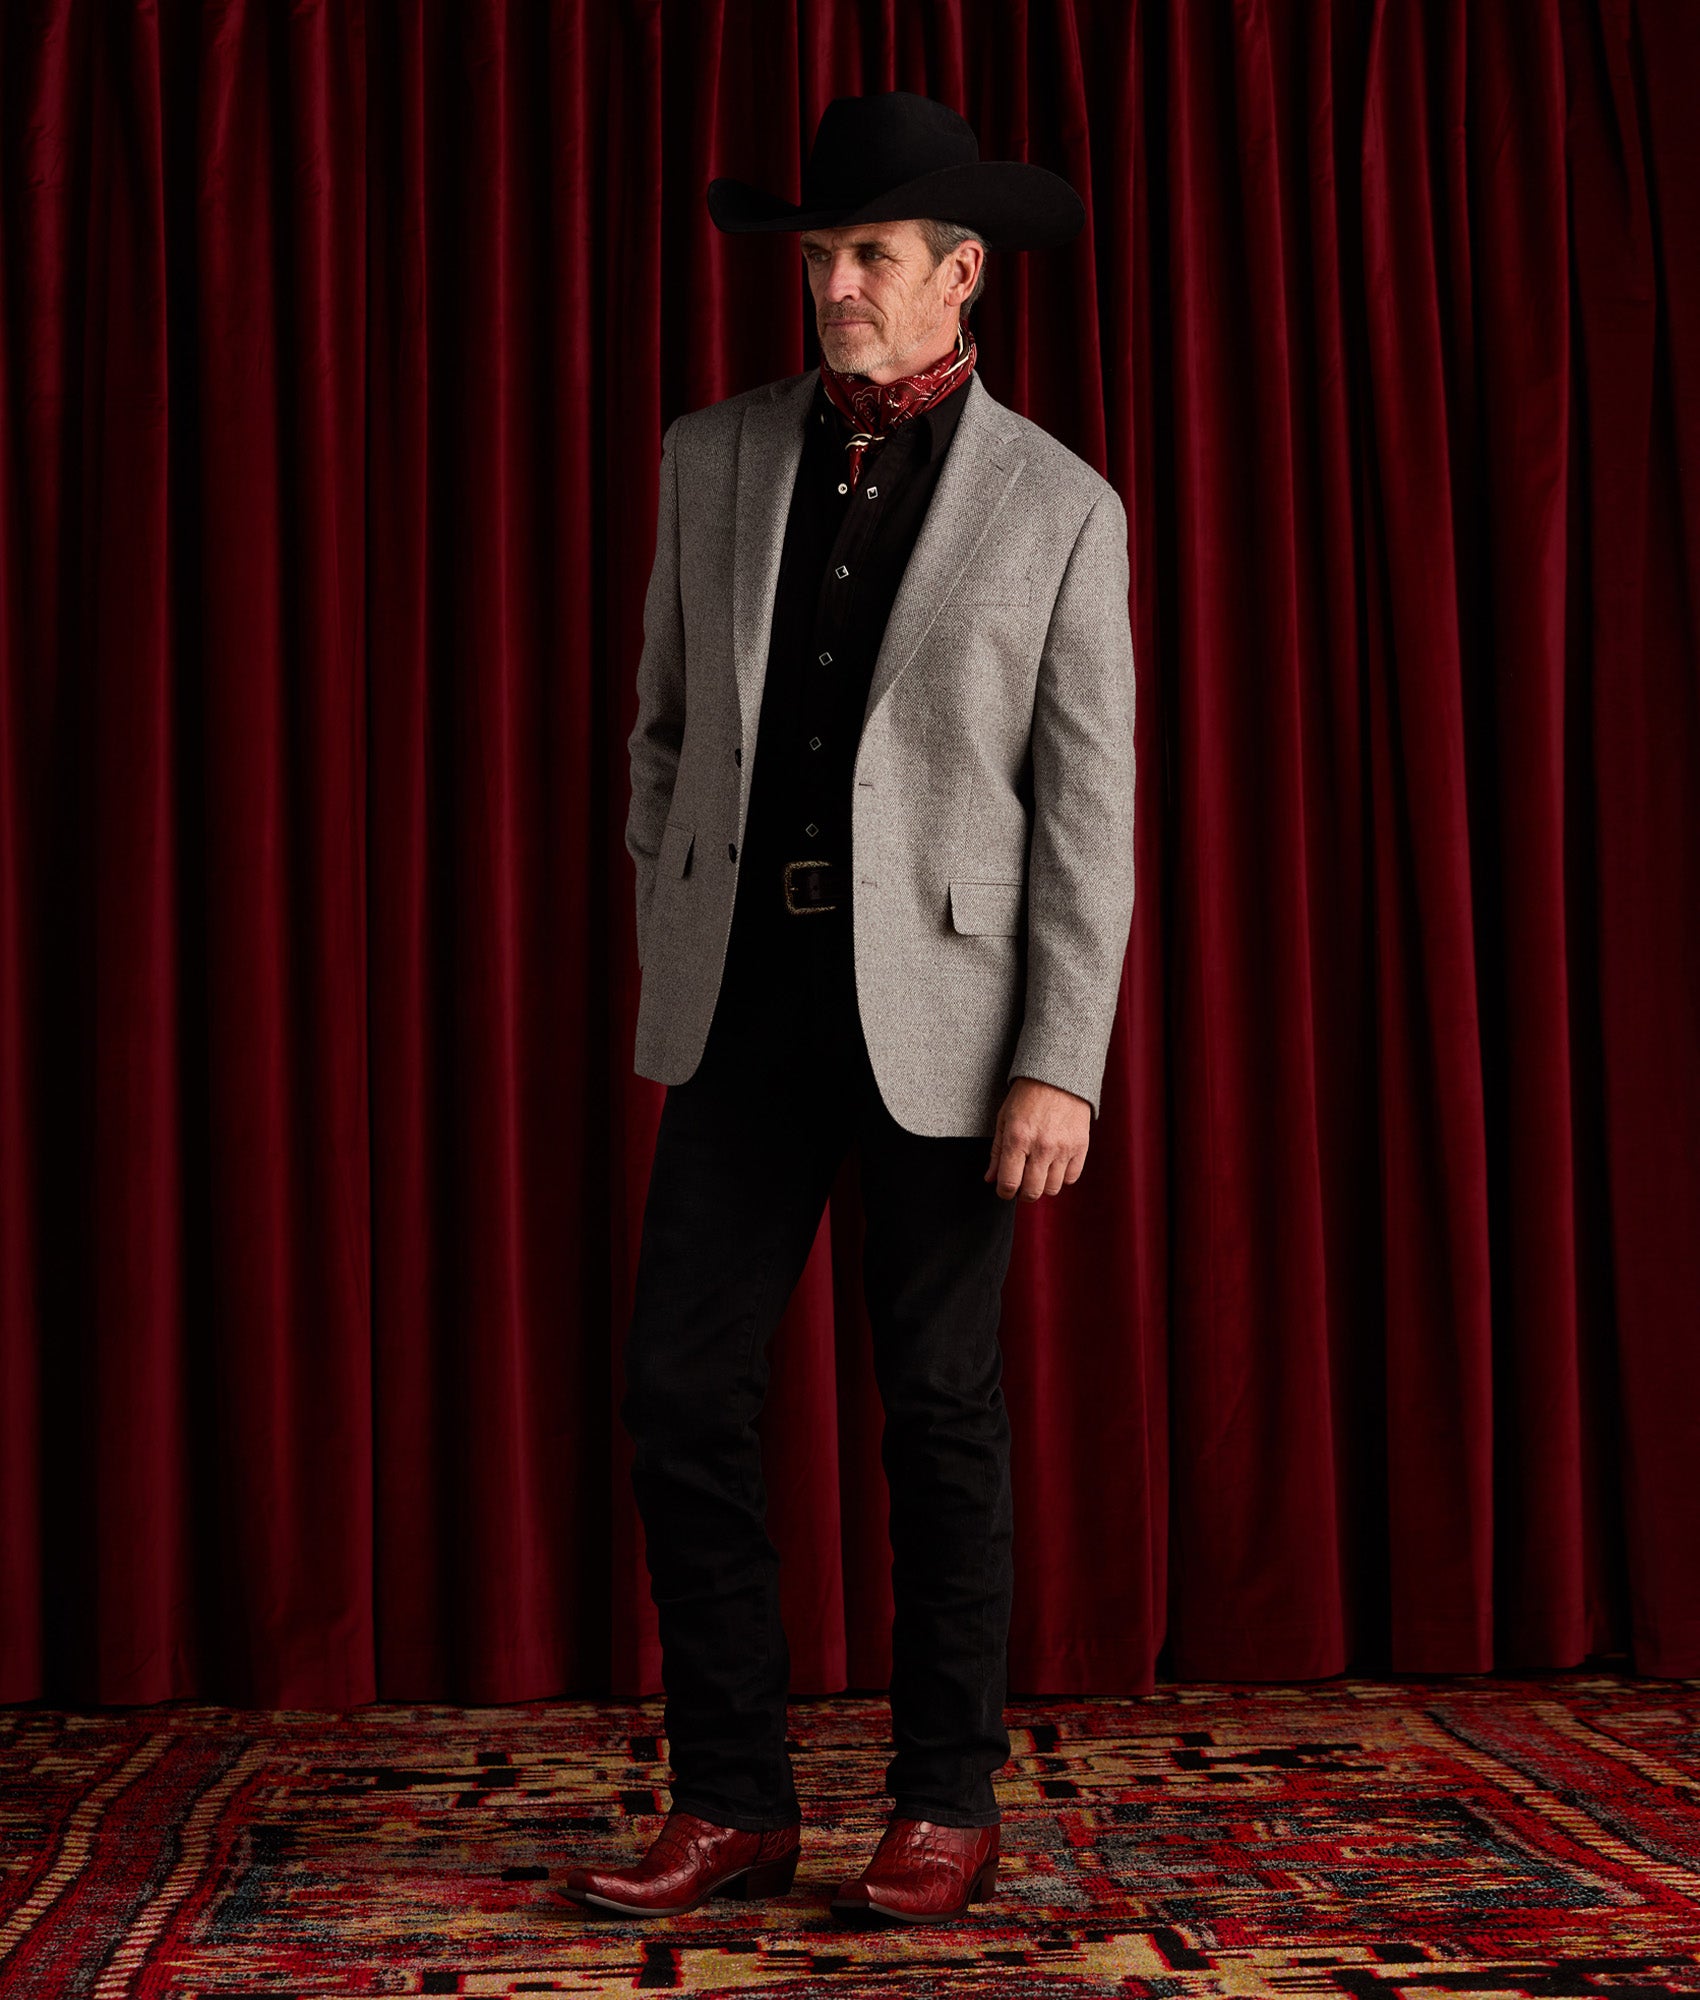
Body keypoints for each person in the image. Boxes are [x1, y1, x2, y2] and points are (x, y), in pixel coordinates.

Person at [563, 89, 1136, 1927]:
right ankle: (733, 1799)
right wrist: (678, 904)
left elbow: (1088, 814)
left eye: (870, 256)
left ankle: (945, 1800)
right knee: (679, 1390)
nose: (835, 288)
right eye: (819, 256)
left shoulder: (1061, 506)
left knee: (939, 1412)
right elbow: (660, 735)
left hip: (952, 1029)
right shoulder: (712, 455)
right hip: (743, 1005)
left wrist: (1059, 1060)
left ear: (962, 272)